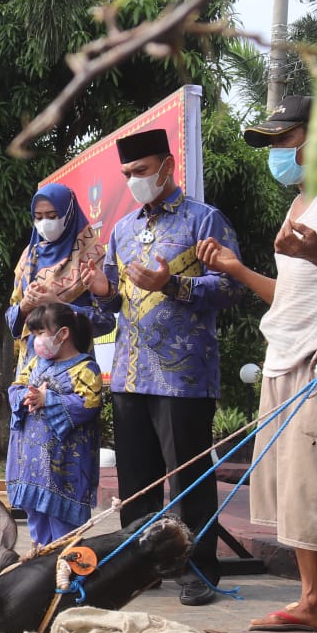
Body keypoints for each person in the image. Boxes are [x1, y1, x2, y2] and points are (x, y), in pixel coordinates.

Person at [196, 95, 317, 633]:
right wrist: (236, 270)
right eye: (273, 142)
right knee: (295, 493)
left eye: (284, 139)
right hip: (283, 359)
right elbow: (294, 295)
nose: (277, 152)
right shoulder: (300, 202)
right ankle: (312, 603)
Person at [87, 128, 245, 606]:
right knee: (136, 483)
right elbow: (113, 302)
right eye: (127, 174)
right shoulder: (122, 229)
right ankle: (140, 568)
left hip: (185, 377)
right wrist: (101, 291)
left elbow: (232, 289)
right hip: (131, 372)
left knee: (189, 480)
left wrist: (172, 284)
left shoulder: (204, 220)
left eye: (141, 171)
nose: (134, 180)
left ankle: (198, 571)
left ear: (167, 166)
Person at [6, 302, 103, 548]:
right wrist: (24, 396)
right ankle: (40, 563)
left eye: (40, 333)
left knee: (64, 529)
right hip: (31, 465)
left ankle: (67, 570)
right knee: (36, 518)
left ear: (63, 334)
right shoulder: (35, 362)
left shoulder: (86, 367)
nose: (35, 340)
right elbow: (17, 385)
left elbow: (90, 403)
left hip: (65, 468)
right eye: (34, 334)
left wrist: (47, 398)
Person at [5, 182, 114, 353]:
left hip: (73, 367)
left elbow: (106, 322)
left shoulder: (90, 255)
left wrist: (58, 305)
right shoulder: (28, 258)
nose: (45, 223)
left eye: (52, 215)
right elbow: (12, 319)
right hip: (31, 367)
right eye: (38, 217)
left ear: (69, 213)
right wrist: (24, 306)